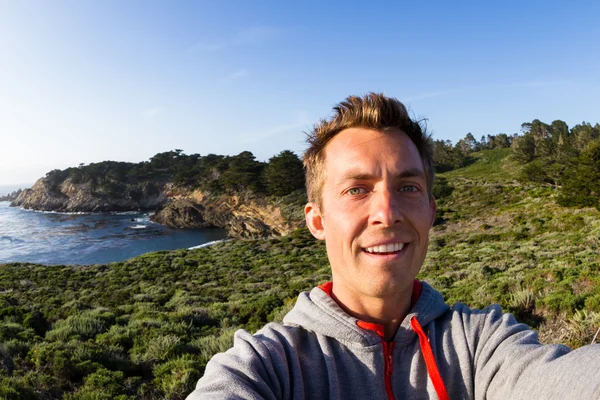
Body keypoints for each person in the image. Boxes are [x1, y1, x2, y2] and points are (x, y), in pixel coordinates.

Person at [187, 93, 600, 399]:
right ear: (317, 220)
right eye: (356, 189)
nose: (387, 212)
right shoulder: (269, 366)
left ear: (430, 211)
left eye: (407, 187)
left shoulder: (480, 344)